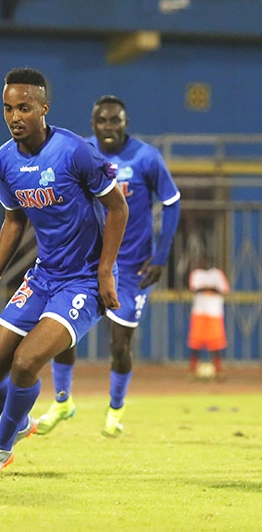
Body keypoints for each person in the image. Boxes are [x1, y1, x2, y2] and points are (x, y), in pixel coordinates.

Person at [0, 68, 128, 475]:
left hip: (83, 281)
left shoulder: (75, 152)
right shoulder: (5, 158)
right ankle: (18, 423)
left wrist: (105, 272)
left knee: (25, 363)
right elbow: (13, 221)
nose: (15, 116)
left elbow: (118, 208)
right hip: (43, 277)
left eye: (24, 108)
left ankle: (0, 446)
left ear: (44, 108)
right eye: (8, 108)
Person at [35, 95, 180, 438]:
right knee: (62, 334)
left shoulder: (146, 157)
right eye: (103, 121)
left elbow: (172, 203)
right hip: (86, 262)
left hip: (131, 268)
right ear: (93, 124)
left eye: (116, 120)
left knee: (119, 345)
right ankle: (62, 402)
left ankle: (115, 410)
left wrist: (161, 257)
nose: (109, 126)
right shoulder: (81, 152)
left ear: (126, 123)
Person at [187, 256, 229, 378]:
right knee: (195, 343)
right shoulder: (196, 274)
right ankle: (192, 369)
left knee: (215, 343)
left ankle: (218, 370)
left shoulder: (217, 274)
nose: (202, 263)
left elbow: (223, 289)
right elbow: (195, 289)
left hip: (214, 313)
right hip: (199, 312)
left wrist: (206, 288)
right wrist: (211, 288)